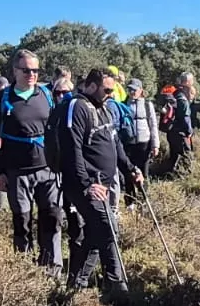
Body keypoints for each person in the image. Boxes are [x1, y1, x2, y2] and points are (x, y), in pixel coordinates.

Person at [59, 69, 142, 293]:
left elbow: (115, 145)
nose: (110, 93)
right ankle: (117, 287)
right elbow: (71, 150)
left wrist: (130, 169)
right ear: (92, 85)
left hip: (102, 184)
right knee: (107, 228)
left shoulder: (103, 108)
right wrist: (87, 184)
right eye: (106, 89)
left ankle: (76, 285)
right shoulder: (76, 107)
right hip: (83, 185)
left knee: (98, 232)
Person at [0, 50, 64, 274]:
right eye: (26, 70)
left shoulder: (47, 95)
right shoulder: (3, 98)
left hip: (48, 170)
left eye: (35, 70)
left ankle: (52, 271)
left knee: (51, 219)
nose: (31, 74)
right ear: (14, 71)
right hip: (17, 171)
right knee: (22, 222)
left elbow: (57, 132)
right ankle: (23, 272)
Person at [120, 78, 159, 206]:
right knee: (128, 173)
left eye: (134, 89)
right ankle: (130, 202)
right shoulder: (123, 104)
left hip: (144, 144)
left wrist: (155, 145)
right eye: (129, 89)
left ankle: (144, 201)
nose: (132, 92)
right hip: (128, 144)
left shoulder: (148, 105)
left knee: (144, 172)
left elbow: (153, 125)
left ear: (141, 90)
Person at [160, 73, 196, 178]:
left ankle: (169, 175)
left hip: (171, 131)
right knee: (186, 155)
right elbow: (186, 117)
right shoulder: (182, 98)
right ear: (187, 82)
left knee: (174, 156)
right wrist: (189, 131)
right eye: (192, 80)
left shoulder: (174, 93)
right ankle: (184, 177)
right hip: (180, 133)